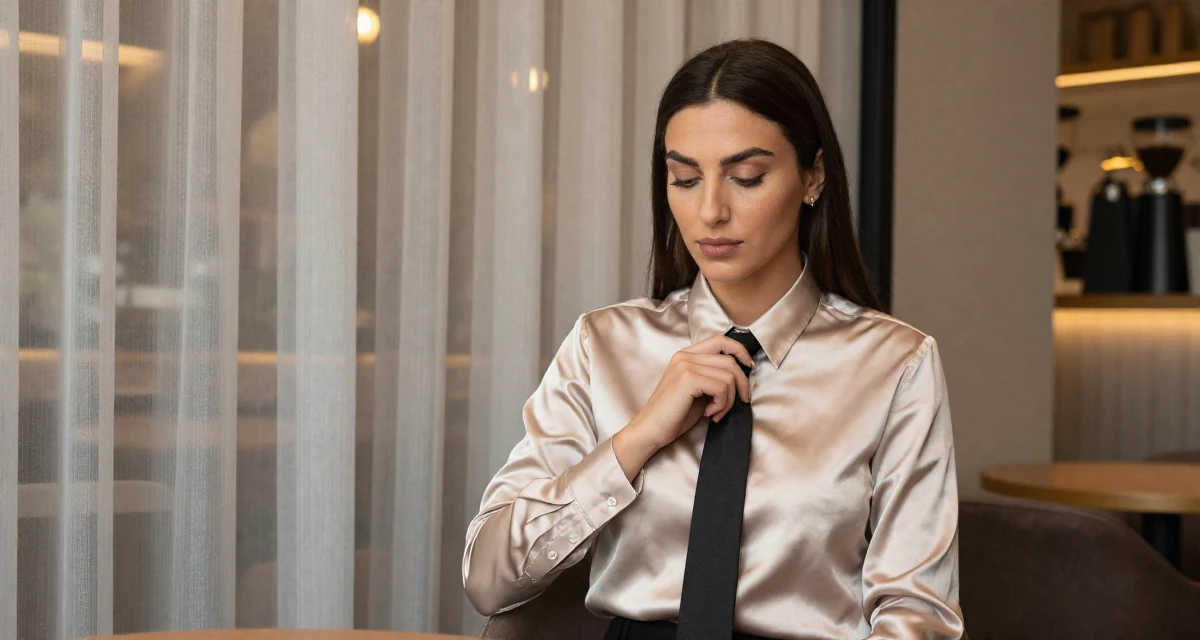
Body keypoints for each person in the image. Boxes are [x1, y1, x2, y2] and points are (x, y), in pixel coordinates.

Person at [463, 39, 963, 640]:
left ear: (814, 176)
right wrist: (638, 437)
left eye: (746, 177)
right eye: (684, 178)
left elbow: (918, 614)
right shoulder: (604, 345)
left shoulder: (896, 365)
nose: (710, 212)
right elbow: (488, 578)